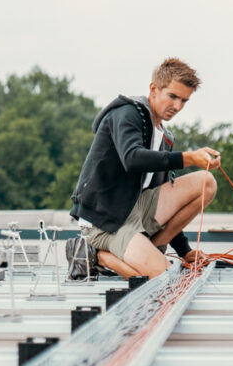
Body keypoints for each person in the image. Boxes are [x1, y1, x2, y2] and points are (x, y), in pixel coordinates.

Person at [67, 58, 220, 279]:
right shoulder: (127, 113)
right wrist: (189, 158)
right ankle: (98, 256)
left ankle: (150, 247)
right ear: (154, 89)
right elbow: (132, 158)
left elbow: (170, 209)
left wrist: (185, 251)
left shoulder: (164, 136)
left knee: (206, 182)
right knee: (164, 278)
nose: (177, 106)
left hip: (136, 210)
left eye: (184, 101)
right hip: (106, 220)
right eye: (173, 96)